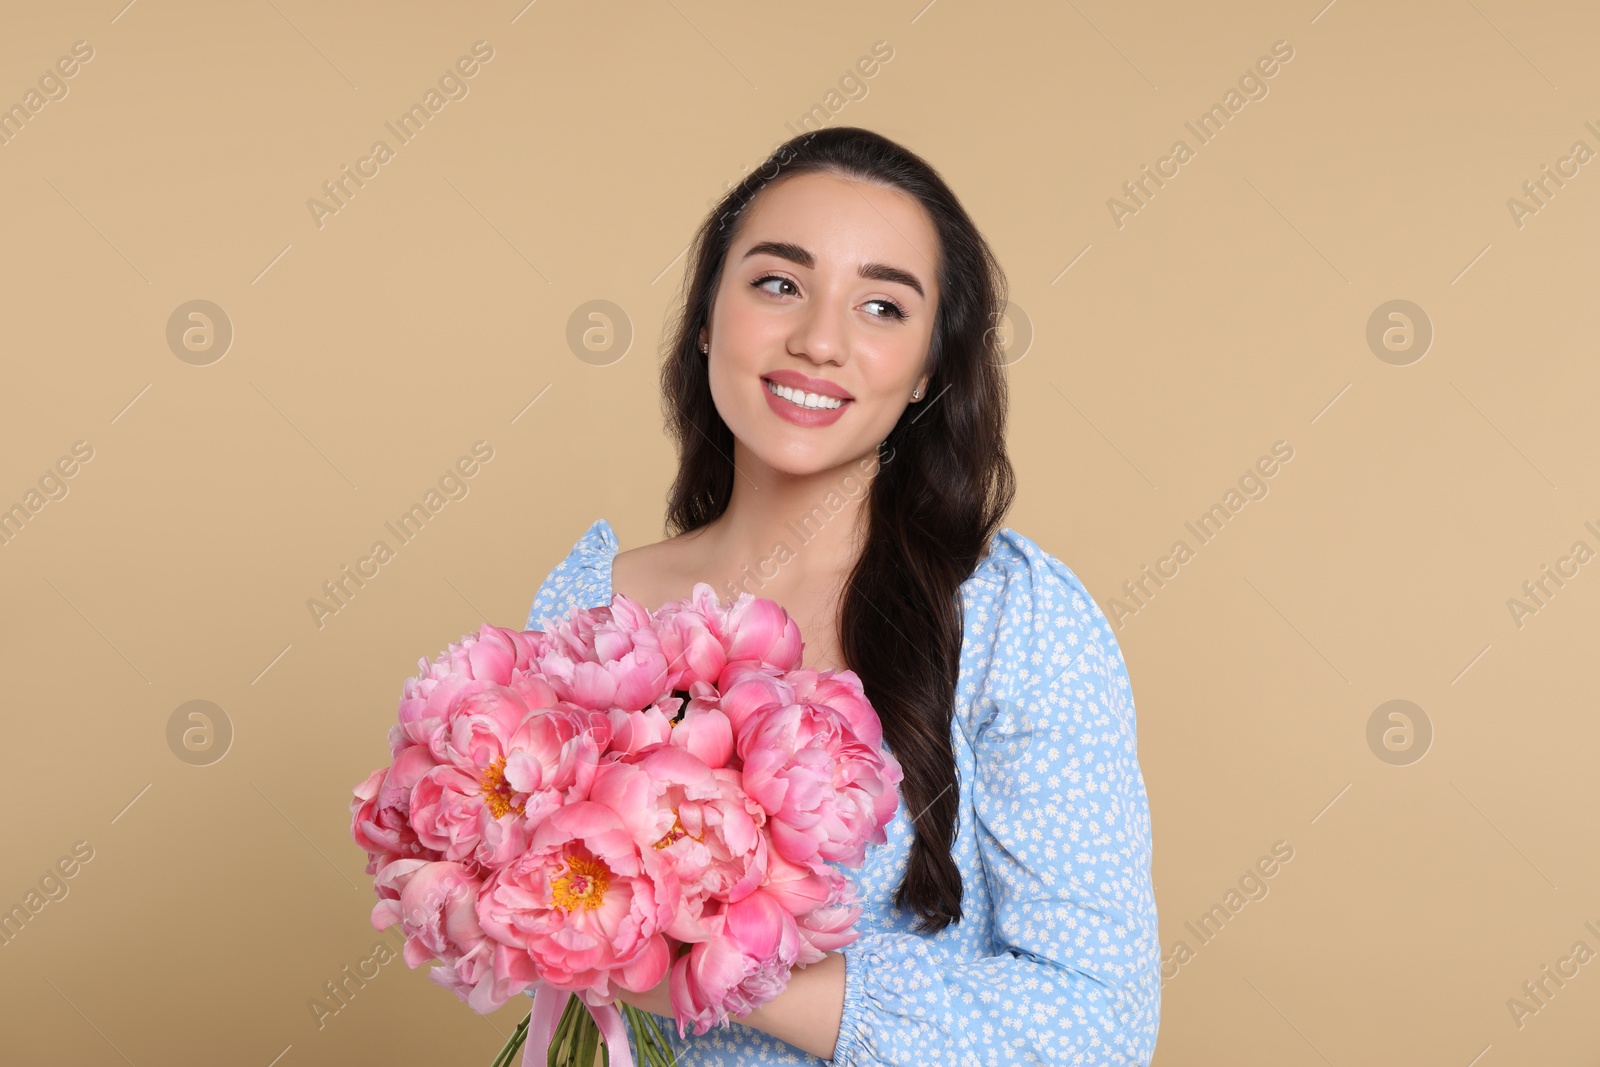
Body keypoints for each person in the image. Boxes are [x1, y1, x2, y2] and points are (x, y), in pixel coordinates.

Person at [524, 126, 1160, 1065]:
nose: (820, 340)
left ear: (930, 373)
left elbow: (1095, 1025)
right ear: (706, 318)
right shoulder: (589, 614)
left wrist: (707, 971)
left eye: (882, 306)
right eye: (778, 283)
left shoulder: (1010, 619)